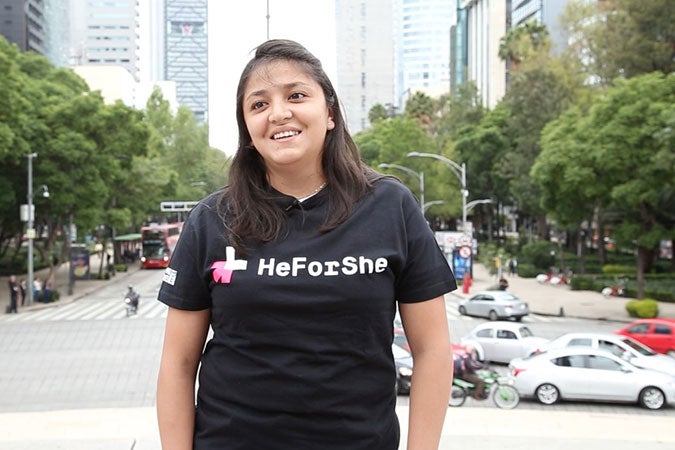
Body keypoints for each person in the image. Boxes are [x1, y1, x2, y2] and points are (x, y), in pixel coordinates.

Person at [156, 39, 456, 450]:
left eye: (296, 95)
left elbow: (434, 349)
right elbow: (178, 362)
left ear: (329, 112)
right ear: (247, 131)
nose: (279, 113)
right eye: (258, 105)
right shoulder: (212, 219)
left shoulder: (390, 205)